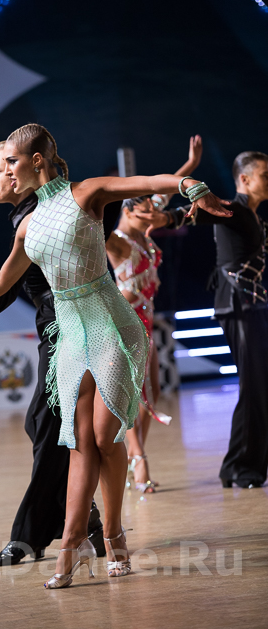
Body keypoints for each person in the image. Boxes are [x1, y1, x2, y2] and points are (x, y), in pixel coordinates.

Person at [0, 123, 231, 587]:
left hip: (111, 325)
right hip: (69, 336)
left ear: (37, 161)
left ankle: (112, 533)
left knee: (104, 436)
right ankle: (75, 541)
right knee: (79, 441)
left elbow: (146, 182)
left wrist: (191, 184)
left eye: (11, 162)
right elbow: (2, 282)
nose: (4, 170)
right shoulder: (27, 225)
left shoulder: (86, 193)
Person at [0, 141, 119, 565]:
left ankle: (29, 537)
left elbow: (5, 285)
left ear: (21, 174)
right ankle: (83, 517)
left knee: (49, 427)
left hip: (72, 331)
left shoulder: (44, 213)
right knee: (45, 427)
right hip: (55, 331)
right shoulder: (25, 217)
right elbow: (7, 283)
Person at [137, 150, 268, 489]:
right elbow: (202, 213)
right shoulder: (235, 209)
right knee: (254, 386)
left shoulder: (253, 216)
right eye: (264, 175)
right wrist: (167, 219)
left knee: (258, 386)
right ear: (245, 179)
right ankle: (241, 467)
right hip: (237, 305)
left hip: (252, 305)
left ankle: (242, 465)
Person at [106, 136, 203, 493]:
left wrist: (190, 166)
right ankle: (139, 460)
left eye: (152, 207)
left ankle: (134, 457)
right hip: (125, 322)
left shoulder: (143, 226)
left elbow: (163, 194)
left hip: (147, 319)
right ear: (128, 210)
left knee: (153, 391)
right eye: (145, 209)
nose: (155, 213)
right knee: (136, 394)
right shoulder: (116, 240)